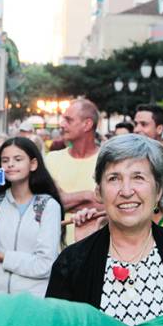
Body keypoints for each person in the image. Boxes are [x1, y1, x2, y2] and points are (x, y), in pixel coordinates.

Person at [46, 134, 163, 326]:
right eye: (114, 178)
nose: (126, 191)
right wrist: (83, 259)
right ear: (98, 191)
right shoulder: (72, 261)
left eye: (138, 177)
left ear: (158, 191)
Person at [0, 137, 63, 297]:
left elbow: (45, 265)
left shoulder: (48, 206)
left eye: (18, 159)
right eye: (5, 160)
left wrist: (2, 256)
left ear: (33, 164)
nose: (10, 164)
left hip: (33, 300)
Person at [45, 100, 102, 245]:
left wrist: (65, 200)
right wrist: (88, 196)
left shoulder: (107, 160)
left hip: (96, 250)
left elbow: (113, 207)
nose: (62, 125)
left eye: (68, 120)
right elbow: (45, 204)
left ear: (87, 124)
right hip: (55, 252)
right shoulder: (51, 159)